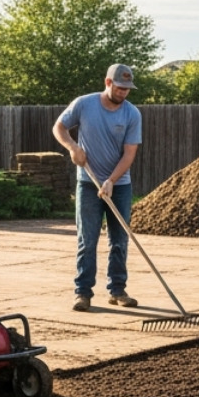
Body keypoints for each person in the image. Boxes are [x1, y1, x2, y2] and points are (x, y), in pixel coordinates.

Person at [52, 63, 143, 312]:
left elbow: (129, 153)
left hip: (120, 185)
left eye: (128, 89)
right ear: (108, 83)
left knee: (119, 240)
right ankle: (82, 293)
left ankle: (117, 290)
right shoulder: (84, 104)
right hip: (88, 182)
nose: (124, 92)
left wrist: (111, 181)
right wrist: (73, 147)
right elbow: (59, 127)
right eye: (120, 87)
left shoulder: (132, 114)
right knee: (87, 240)